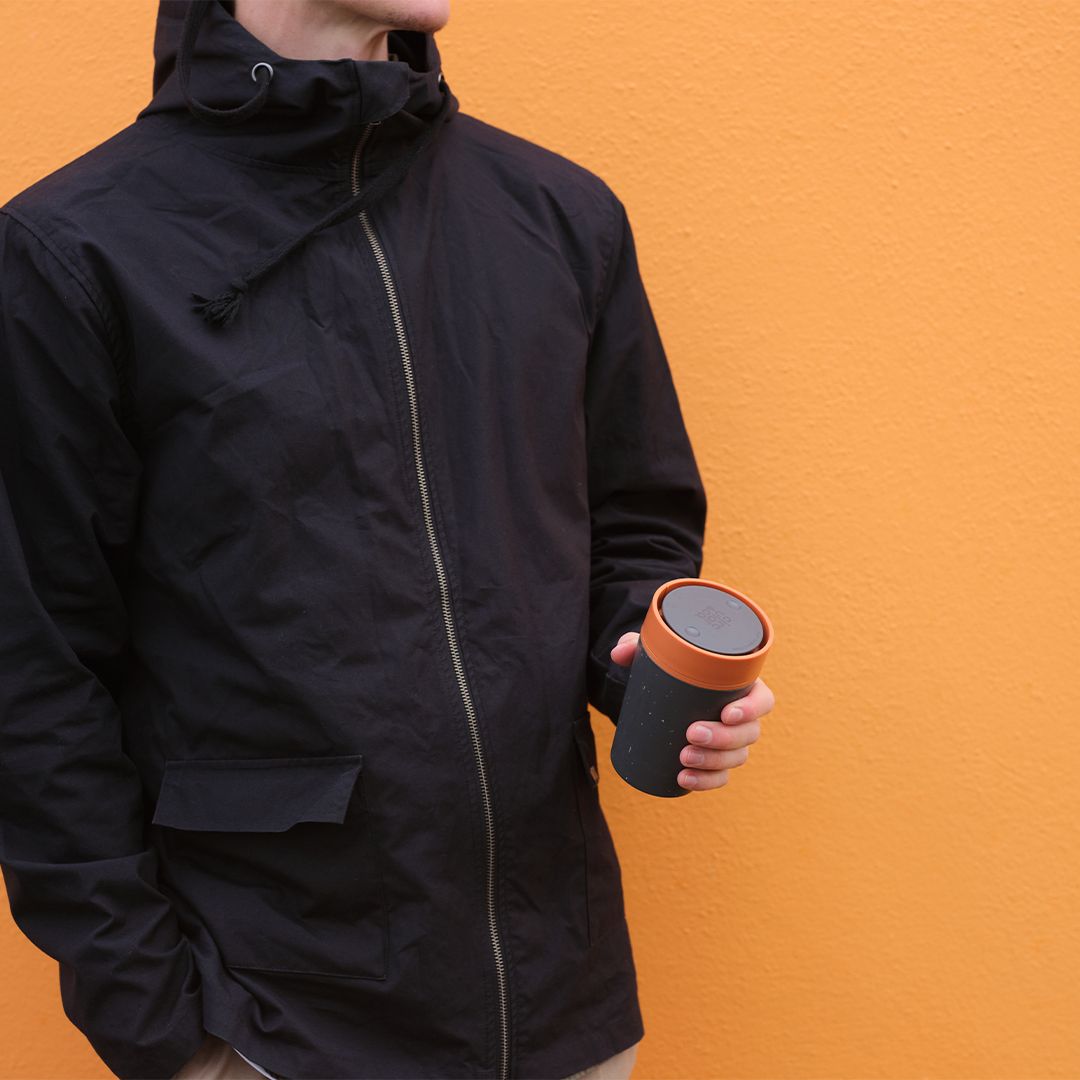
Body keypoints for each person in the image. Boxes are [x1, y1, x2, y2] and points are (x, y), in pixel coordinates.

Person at [0, 1, 774, 1078]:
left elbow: (634, 524)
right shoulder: (75, 249)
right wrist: (165, 1033)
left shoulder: (557, 211)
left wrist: (642, 669)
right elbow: (30, 668)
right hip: (279, 1027)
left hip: (564, 1012)